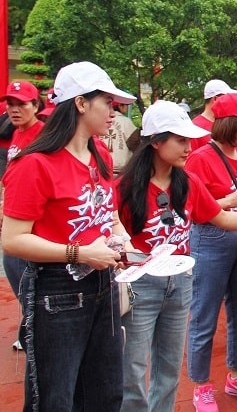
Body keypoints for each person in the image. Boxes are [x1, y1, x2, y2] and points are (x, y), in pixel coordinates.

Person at [1, 61, 135, 411]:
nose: (113, 112)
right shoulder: (35, 164)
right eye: (107, 102)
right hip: (57, 291)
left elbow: (107, 212)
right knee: (55, 397)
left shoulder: (99, 154)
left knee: (105, 392)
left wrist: (120, 237)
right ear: (80, 103)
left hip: (103, 283)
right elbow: (13, 239)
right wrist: (79, 253)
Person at [117, 100, 237, 412]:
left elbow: (221, 218)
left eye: (189, 139)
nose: (188, 147)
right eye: (180, 140)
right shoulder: (127, 187)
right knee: (133, 367)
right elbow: (113, 230)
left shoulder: (187, 181)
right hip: (141, 283)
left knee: (169, 368)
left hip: (180, 280)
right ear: (156, 142)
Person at [185, 92, 237, 410]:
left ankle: (236, 374)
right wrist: (226, 202)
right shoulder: (201, 158)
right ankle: (201, 384)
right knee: (204, 316)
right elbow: (189, 207)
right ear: (231, 123)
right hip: (211, 241)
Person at [1, 81, 45, 302]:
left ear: (36, 105)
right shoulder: (17, 132)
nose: (14, 110)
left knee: (30, 294)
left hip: (31, 227)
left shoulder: (42, 135)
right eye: (10, 104)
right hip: (13, 214)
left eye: (22, 104)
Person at [190, 79, 237, 151]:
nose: (230, 102)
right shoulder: (195, 127)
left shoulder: (226, 123)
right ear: (215, 99)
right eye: (226, 98)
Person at [100, 102, 140, 174]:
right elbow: (135, 143)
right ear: (120, 106)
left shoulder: (100, 120)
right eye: (126, 105)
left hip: (101, 168)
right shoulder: (125, 122)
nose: (127, 108)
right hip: (121, 171)